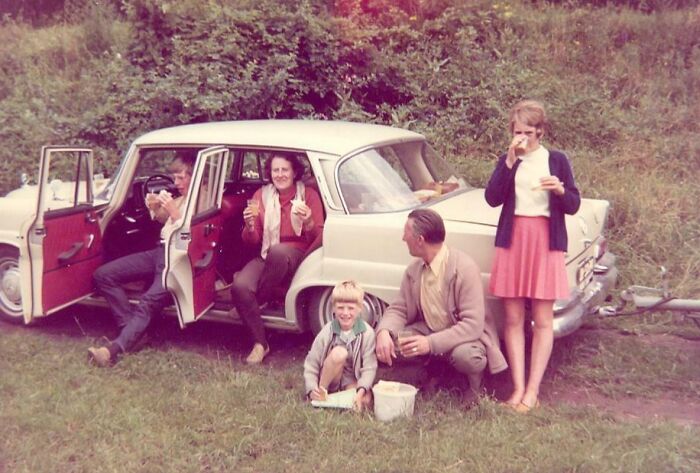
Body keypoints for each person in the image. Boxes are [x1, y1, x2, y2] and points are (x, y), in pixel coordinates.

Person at [484, 99, 581, 412]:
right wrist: (510, 161)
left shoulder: (557, 159)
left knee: (541, 321)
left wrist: (560, 191)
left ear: (540, 130)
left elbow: (574, 204)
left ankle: (533, 392)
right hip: (514, 240)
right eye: (517, 132)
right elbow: (492, 198)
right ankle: (517, 389)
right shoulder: (509, 158)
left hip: (544, 240)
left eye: (528, 132)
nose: (522, 137)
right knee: (512, 319)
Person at [374, 209, 507, 401]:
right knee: (388, 346)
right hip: (428, 330)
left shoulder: (464, 268)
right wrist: (384, 332)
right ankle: (430, 373)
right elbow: (399, 308)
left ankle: (475, 386)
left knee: (467, 357)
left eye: (406, 233)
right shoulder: (414, 269)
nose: (403, 238)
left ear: (420, 240)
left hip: (465, 338)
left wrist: (430, 344)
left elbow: (473, 325)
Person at [87, 154, 195, 367]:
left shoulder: (204, 197)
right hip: (160, 251)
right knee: (104, 275)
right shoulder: (182, 197)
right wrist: (155, 208)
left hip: (178, 259)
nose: (177, 183)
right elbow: (167, 221)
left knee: (147, 302)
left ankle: (111, 351)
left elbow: (190, 233)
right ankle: (134, 333)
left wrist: (174, 212)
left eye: (182, 178)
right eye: (175, 177)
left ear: (194, 176)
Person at [231, 153, 323, 364]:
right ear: (270, 173)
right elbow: (251, 242)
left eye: (285, 170)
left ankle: (257, 301)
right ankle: (260, 343)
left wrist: (308, 222)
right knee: (239, 286)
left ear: (294, 172)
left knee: (279, 252)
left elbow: (317, 238)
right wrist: (249, 226)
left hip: (299, 255)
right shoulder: (260, 196)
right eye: (275, 170)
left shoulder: (308, 196)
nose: (280, 174)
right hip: (267, 253)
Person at [303, 280, 376, 411]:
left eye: (351, 308)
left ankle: (340, 398)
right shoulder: (328, 330)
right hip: (331, 378)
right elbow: (311, 363)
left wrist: (361, 391)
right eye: (340, 308)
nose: (345, 313)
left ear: (360, 309)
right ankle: (321, 395)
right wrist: (311, 388)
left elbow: (369, 368)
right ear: (333, 308)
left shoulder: (367, 333)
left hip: (351, 380)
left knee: (365, 401)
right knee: (339, 353)